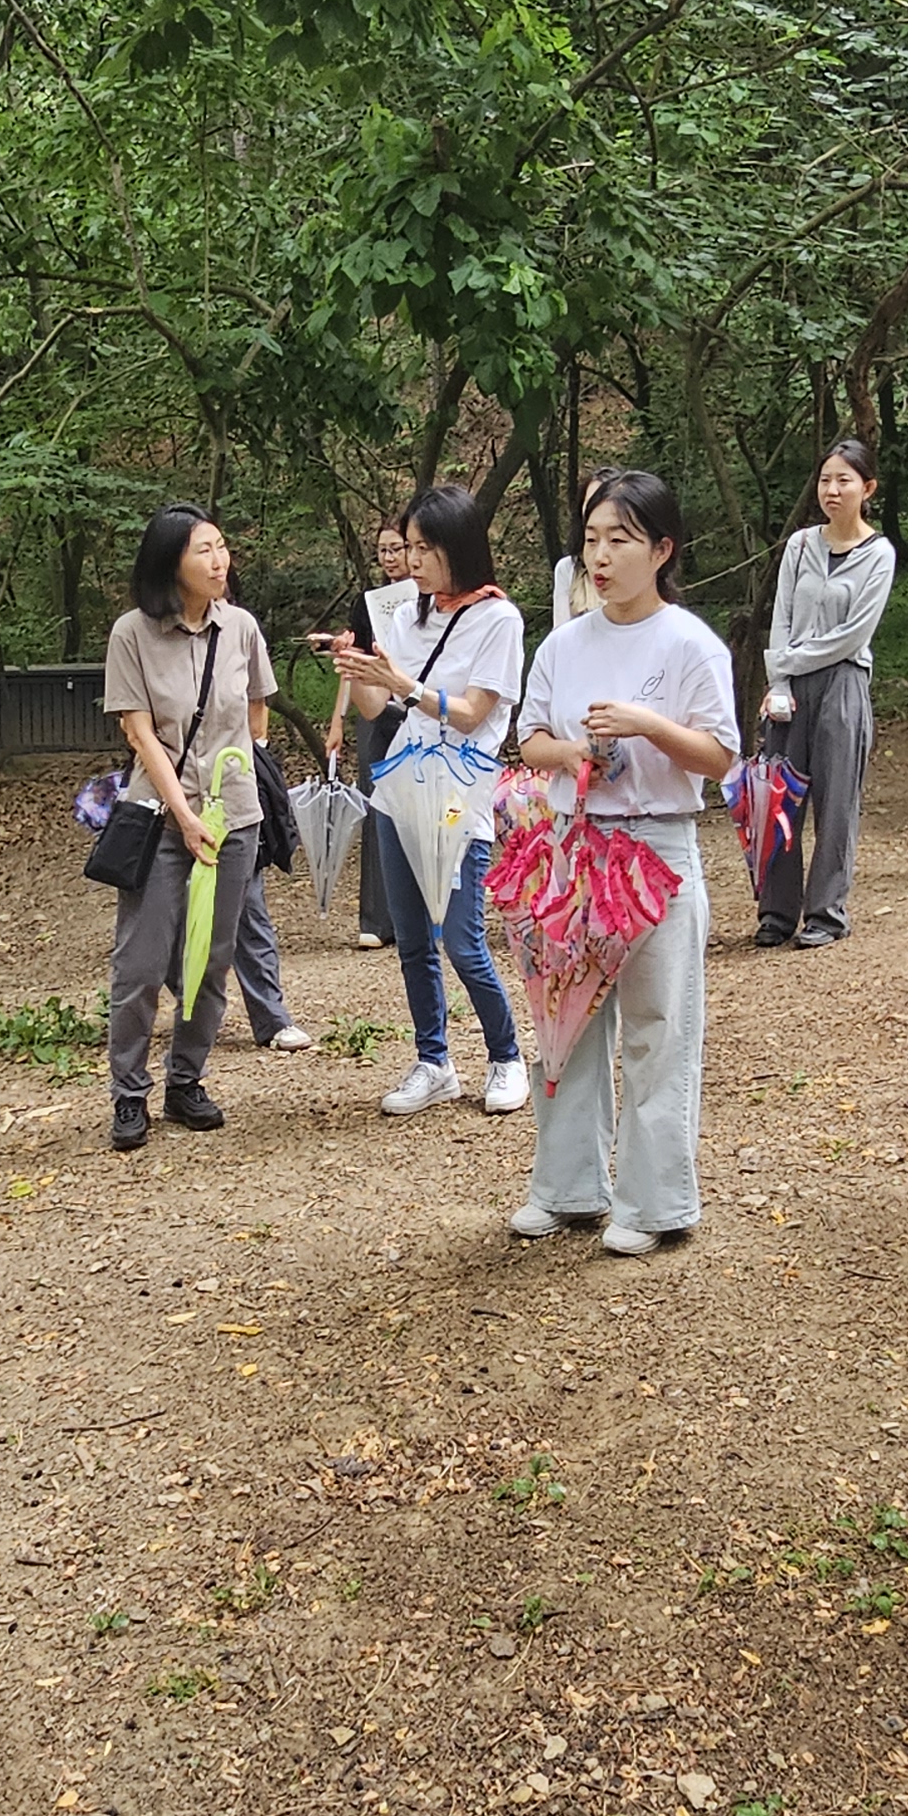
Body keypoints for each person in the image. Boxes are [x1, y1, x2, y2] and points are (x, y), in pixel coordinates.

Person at [509, 469, 738, 1256]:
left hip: (658, 848)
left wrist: (645, 724)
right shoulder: (564, 643)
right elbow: (531, 739)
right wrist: (575, 752)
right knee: (566, 1025)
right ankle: (566, 1187)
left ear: (662, 549)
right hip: (577, 849)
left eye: (621, 540)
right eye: (592, 539)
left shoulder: (690, 643)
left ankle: (654, 1202)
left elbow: (717, 757)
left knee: (657, 1026)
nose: (600, 556)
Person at [329, 485, 530, 1117]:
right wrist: (357, 670)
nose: (411, 560)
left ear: (458, 547)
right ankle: (433, 1061)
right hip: (398, 789)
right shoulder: (404, 612)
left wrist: (401, 683)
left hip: (459, 793)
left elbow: (473, 715)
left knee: (462, 939)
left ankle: (506, 1057)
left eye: (423, 548)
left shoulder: (500, 619)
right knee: (412, 937)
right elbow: (376, 708)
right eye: (407, 547)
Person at [101, 505, 280, 1150]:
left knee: (214, 958)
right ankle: (128, 1093)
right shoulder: (132, 634)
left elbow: (257, 708)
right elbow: (139, 731)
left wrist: (237, 776)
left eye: (222, 547)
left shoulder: (243, 628)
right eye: (203, 551)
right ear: (170, 562)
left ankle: (186, 1080)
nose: (219, 560)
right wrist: (183, 812)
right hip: (159, 815)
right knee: (142, 962)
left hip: (234, 816)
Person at [756, 438, 893, 948]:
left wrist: (786, 660)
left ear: (868, 488)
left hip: (844, 683)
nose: (832, 491)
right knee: (780, 799)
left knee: (837, 802)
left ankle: (826, 912)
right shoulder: (800, 545)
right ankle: (776, 911)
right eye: (825, 480)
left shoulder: (879, 554)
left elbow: (853, 636)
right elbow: (782, 617)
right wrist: (779, 682)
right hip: (790, 688)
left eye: (844, 480)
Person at [324, 518, 418, 950]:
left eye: (397, 548)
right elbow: (354, 662)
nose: (391, 558)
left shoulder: (432, 598)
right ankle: (377, 919)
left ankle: (420, 914)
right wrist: (338, 719)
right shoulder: (368, 603)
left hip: (419, 704)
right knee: (376, 801)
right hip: (374, 706)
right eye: (383, 550)